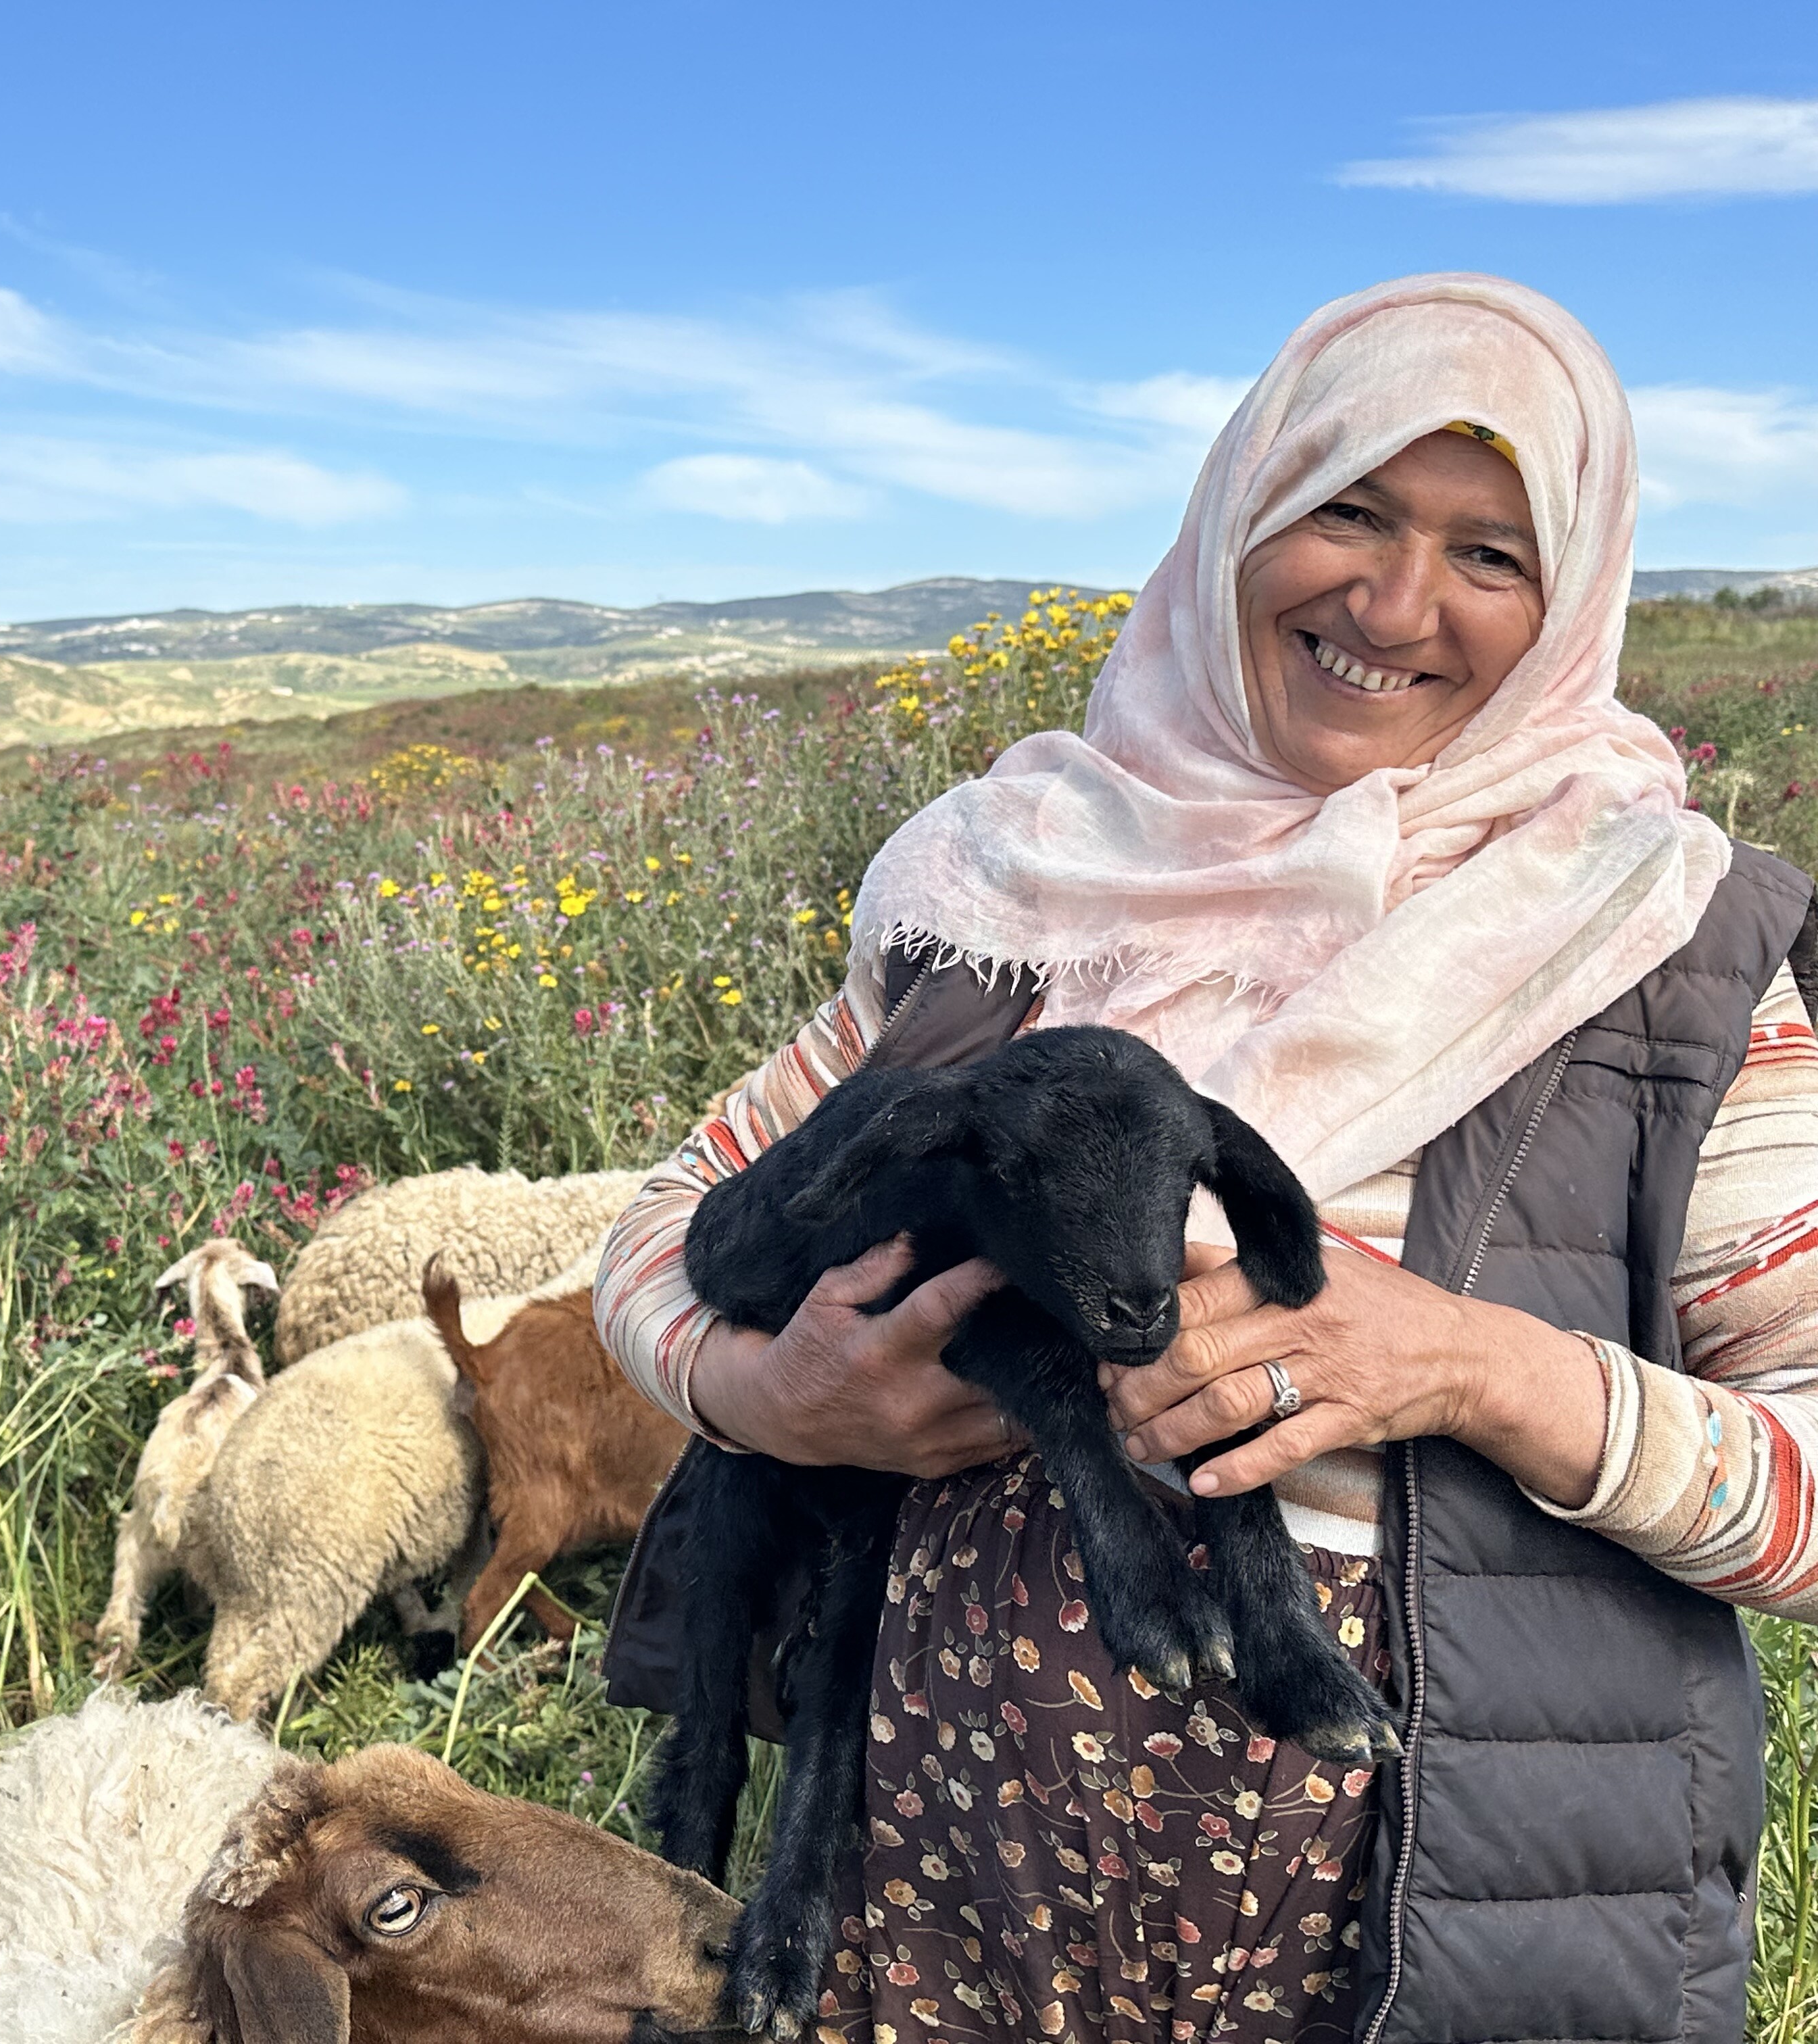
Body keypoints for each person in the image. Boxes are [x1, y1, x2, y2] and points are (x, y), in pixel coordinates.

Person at [595, 274, 1818, 2044]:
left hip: (1419, 1941)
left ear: (1573, 599)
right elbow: (670, 1225)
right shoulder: (997, 896)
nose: (1396, 604)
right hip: (930, 1904)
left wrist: (1474, 1367)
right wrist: (768, 1392)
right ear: (1241, 512)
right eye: (1350, 508)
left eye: (1494, 554)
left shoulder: (1669, 954)